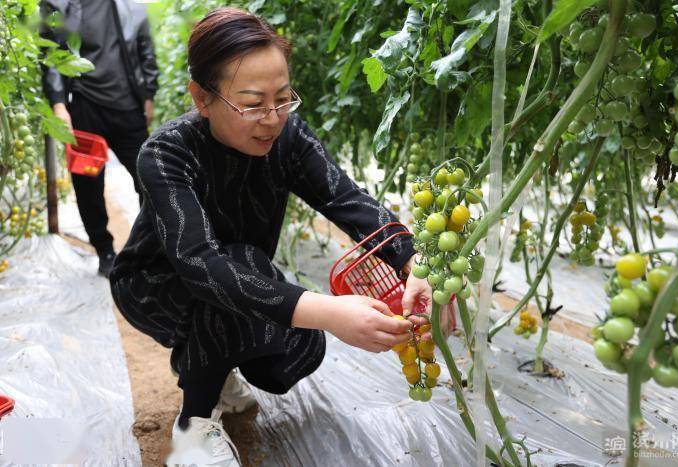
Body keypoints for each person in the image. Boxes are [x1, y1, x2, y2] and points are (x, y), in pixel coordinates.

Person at [109, 7, 441, 466]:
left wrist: (415, 262)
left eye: (283, 98)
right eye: (251, 103)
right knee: (235, 273)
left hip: (241, 270)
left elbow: (347, 199)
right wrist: (329, 312)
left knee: (284, 357)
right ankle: (192, 432)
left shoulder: (287, 137)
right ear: (202, 99)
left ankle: (206, 363)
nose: (272, 118)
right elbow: (202, 264)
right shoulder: (167, 154)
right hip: (155, 285)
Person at [40, 0, 159, 276]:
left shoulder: (130, 4)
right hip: (84, 106)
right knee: (88, 184)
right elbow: (50, 55)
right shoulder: (56, 3)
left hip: (128, 105)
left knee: (150, 177)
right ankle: (105, 250)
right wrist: (58, 103)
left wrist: (148, 93)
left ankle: (148, 245)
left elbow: (145, 45)